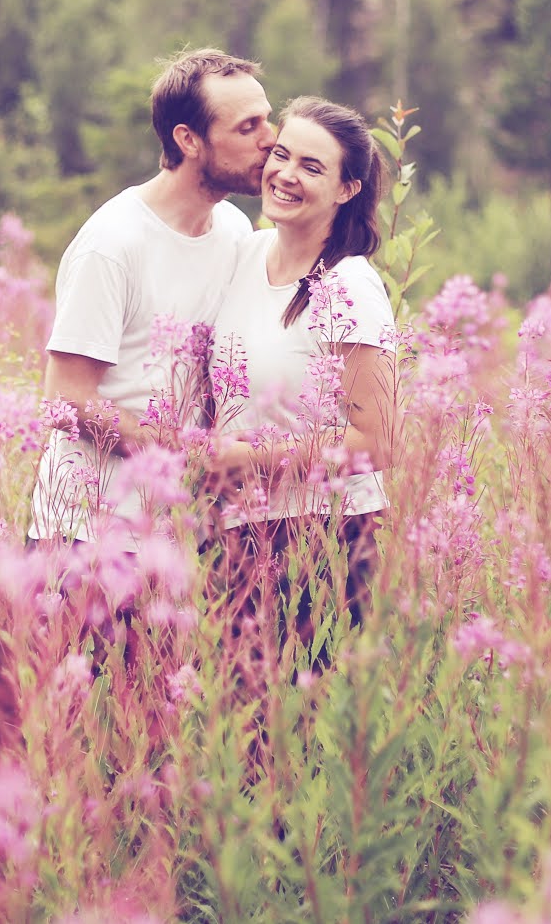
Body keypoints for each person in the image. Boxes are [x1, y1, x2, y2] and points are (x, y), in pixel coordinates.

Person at [0, 48, 274, 769]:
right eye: (248, 127)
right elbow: (67, 398)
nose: (270, 139)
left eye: (268, 118)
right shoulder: (112, 245)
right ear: (188, 140)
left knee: (146, 740)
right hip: (76, 529)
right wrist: (174, 449)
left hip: (165, 534)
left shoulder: (235, 234)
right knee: (17, 731)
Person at [204, 96, 397, 679]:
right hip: (240, 533)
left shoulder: (350, 285)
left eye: (312, 167)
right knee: (242, 735)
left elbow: (376, 439)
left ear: (347, 189)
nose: (285, 174)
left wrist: (249, 461)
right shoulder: (247, 253)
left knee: (306, 736)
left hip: (326, 538)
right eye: (281, 155)